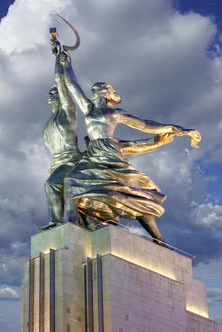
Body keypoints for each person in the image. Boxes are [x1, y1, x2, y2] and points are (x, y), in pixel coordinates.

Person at [58, 50, 201, 245]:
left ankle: (158, 238)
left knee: (130, 191)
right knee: (73, 181)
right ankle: (73, 225)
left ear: (107, 93)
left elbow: (144, 125)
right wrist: (66, 64)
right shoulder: (88, 109)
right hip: (93, 154)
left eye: (99, 88)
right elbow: (73, 88)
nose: (94, 90)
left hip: (110, 152)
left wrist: (176, 129)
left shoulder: (115, 113)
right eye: (93, 89)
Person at [41, 48, 82, 229]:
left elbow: (60, 82)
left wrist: (59, 60)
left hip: (71, 162)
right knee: (52, 185)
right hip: (57, 165)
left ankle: (56, 223)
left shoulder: (67, 112)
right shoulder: (50, 122)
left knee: (51, 185)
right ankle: (59, 223)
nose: (52, 94)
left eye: (55, 92)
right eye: (50, 93)